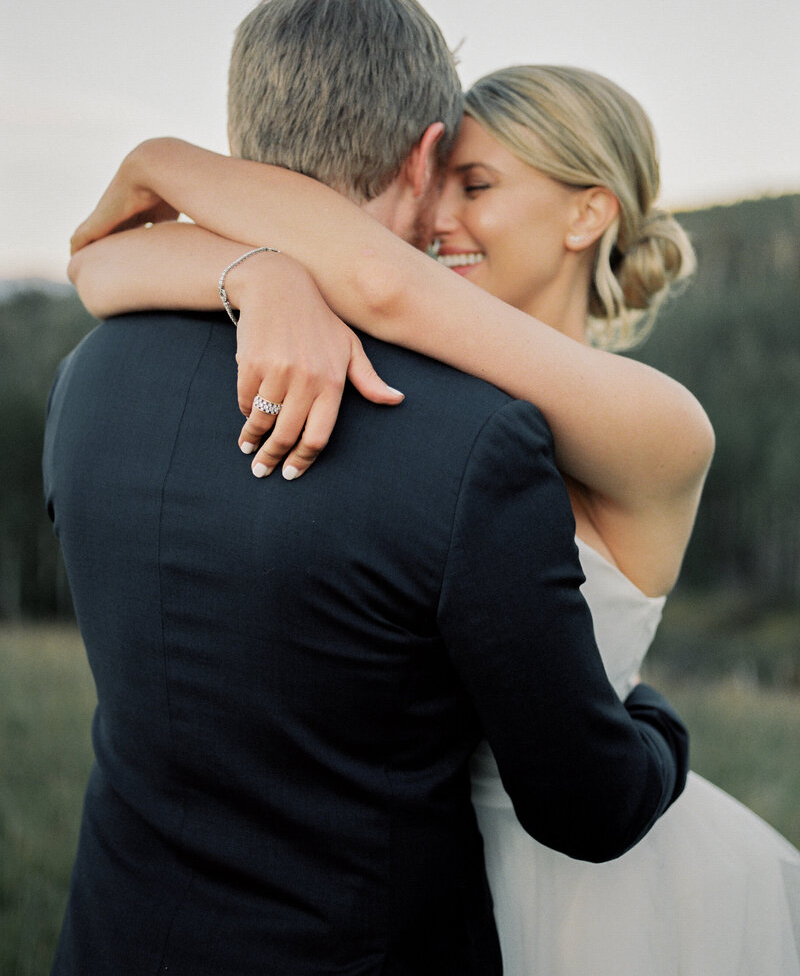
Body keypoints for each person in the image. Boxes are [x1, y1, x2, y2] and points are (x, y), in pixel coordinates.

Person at [69, 60, 800, 974]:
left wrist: (158, 161)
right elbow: (107, 262)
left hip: (588, 897)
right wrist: (262, 277)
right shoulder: (427, 382)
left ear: (588, 214)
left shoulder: (658, 424)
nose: (436, 214)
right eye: (438, 176)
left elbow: (379, 284)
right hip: (429, 874)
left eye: (477, 185)